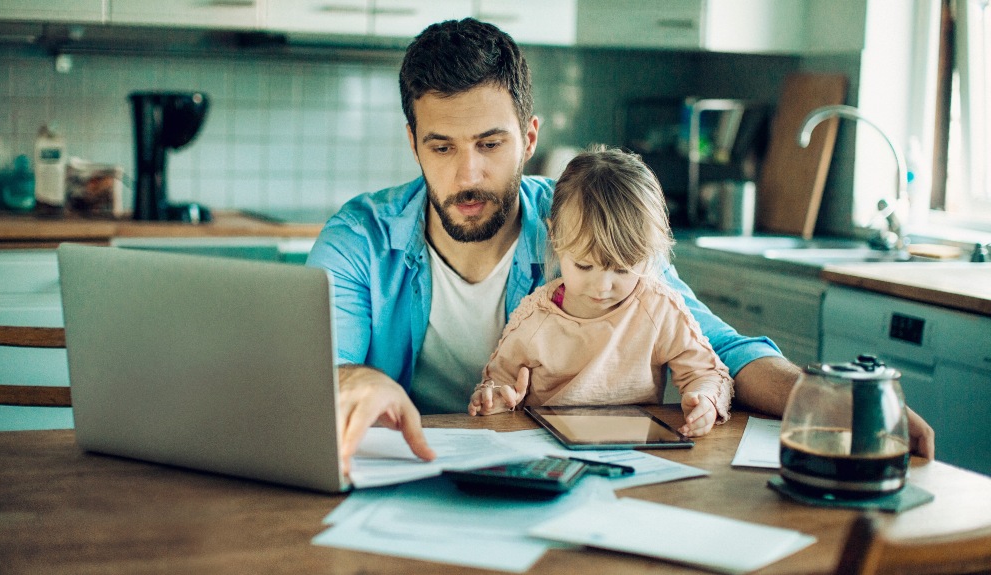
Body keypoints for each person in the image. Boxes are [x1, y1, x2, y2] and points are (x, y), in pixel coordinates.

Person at [305, 18, 935, 471]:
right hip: (410, 476)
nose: (467, 174)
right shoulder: (361, 237)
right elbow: (321, 369)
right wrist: (354, 380)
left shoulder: (588, 219)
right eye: (441, 147)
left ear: (528, 138)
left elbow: (721, 348)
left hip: (566, 482)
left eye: (490, 144)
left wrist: (826, 402)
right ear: (413, 142)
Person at [468, 146, 732, 438]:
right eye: (583, 266)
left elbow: (707, 373)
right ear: (555, 237)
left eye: (622, 269)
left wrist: (705, 400)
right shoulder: (535, 317)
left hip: (632, 449)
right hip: (547, 446)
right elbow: (496, 381)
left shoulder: (658, 308)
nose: (603, 287)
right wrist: (495, 398)